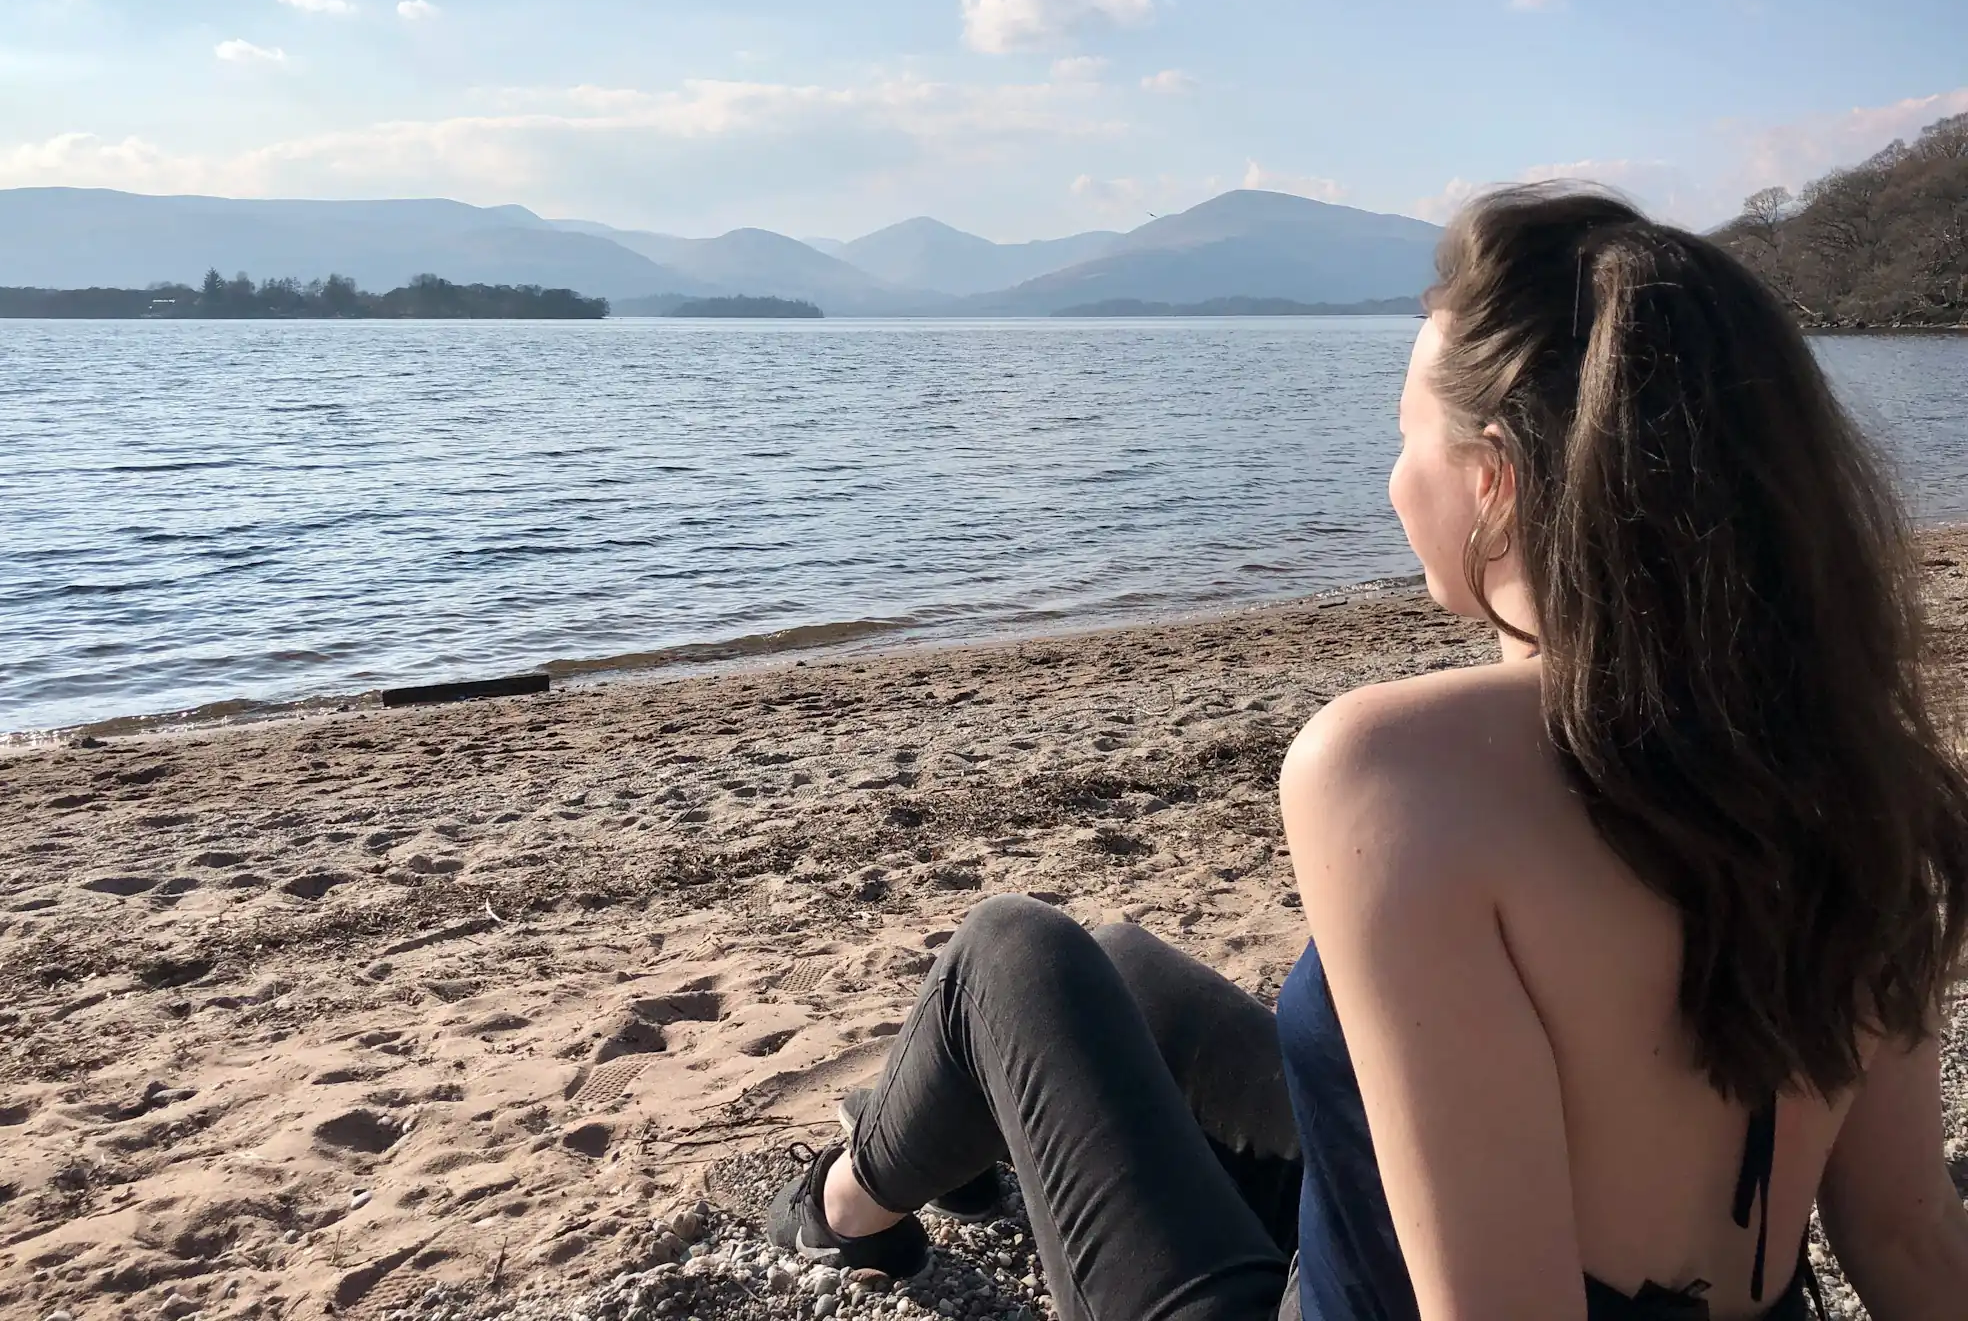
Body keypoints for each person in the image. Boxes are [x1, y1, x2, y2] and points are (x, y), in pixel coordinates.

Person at [765, 185, 1968, 1321]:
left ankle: (842, 1208)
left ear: (1492, 482)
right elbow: (1906, 1235)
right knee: (1124, 972)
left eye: (1405, 438)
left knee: (1008, 953)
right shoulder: (1860, 775)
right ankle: (951, 1153)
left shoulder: (1396, 771)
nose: (1392, 481)